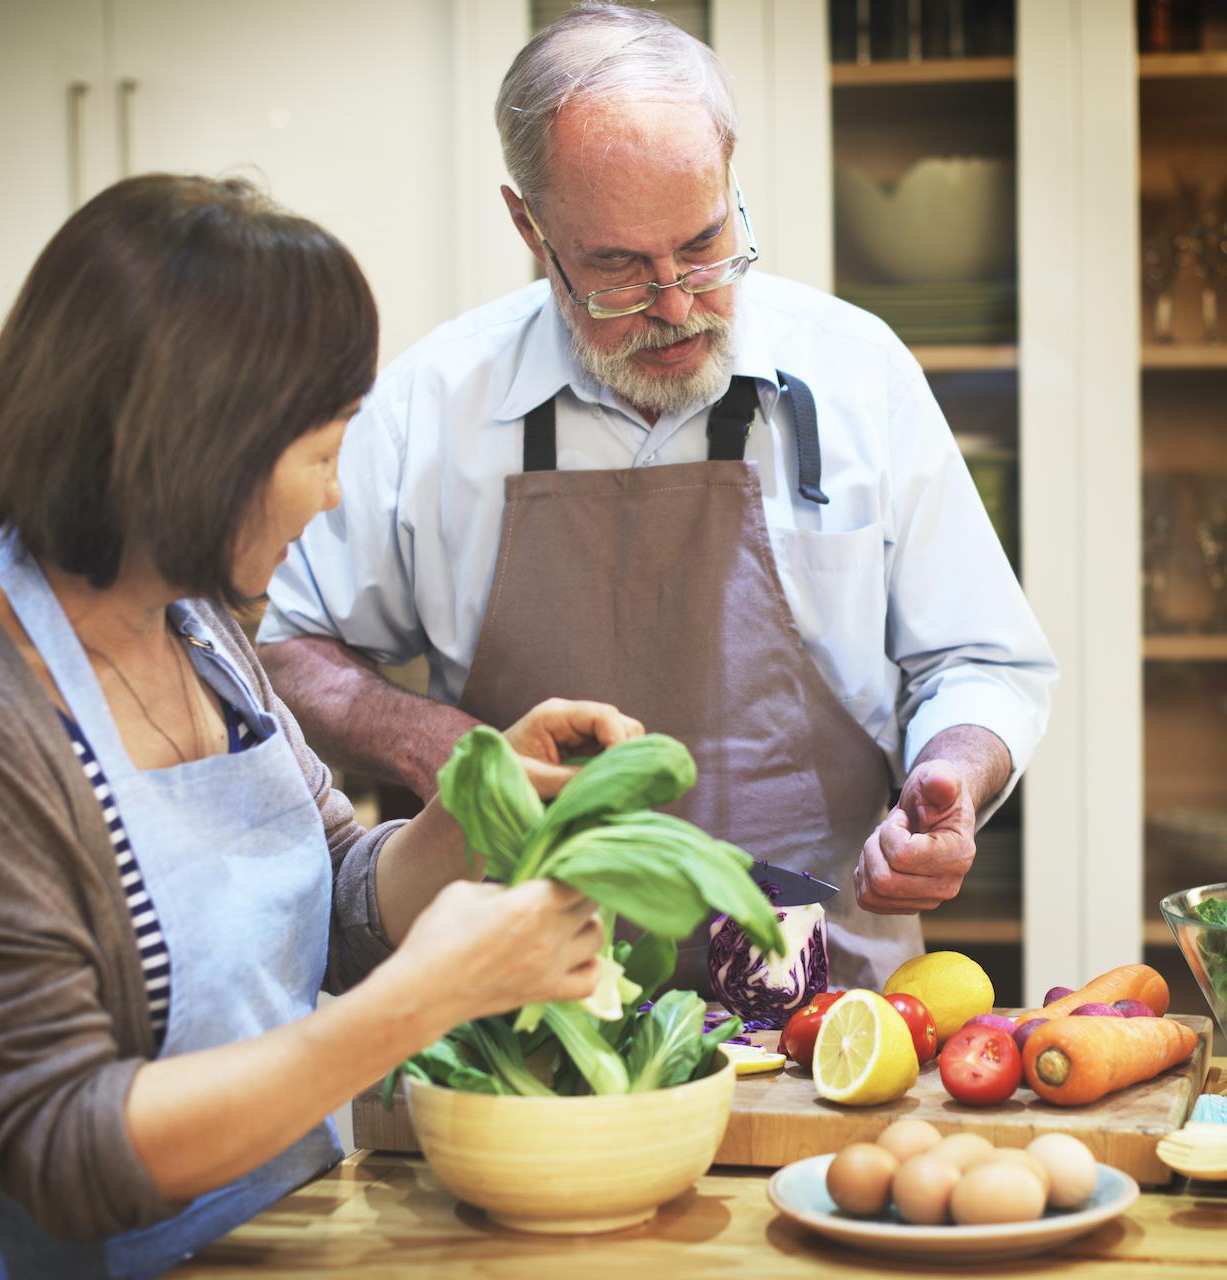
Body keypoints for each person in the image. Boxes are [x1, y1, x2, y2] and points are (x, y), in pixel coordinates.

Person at [258, 2, 1058, 993]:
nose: (677, 305)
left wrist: (952, 773)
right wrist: (440, 750)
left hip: (827, 1014)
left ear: (728, 170)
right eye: (618, 268)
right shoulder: (433, 403)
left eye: (703, 243)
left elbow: (978, 656)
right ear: (528, 225)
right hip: (529, 1004)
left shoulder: (858, 374)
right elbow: (289, 646)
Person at [0, 172, 644, 1279]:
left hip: (281, 1235)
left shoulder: (197, 629)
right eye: (321, 450)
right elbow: (66, 1147)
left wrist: (476, 802)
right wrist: (427, 999)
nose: (331, 495)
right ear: (193, 447)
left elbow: (334, 903)